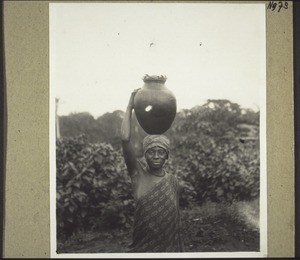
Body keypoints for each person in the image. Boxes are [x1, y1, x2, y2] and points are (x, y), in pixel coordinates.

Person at [121, 89, 184, 252]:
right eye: (151, 152)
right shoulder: (138, 175)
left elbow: (174, 222)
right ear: (144, 155)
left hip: (170, 248)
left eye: (161, 152)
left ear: (166, 156)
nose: (156, 156)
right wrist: (130, 107)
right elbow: (125, 140)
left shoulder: (172, 181)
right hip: (144, 248)